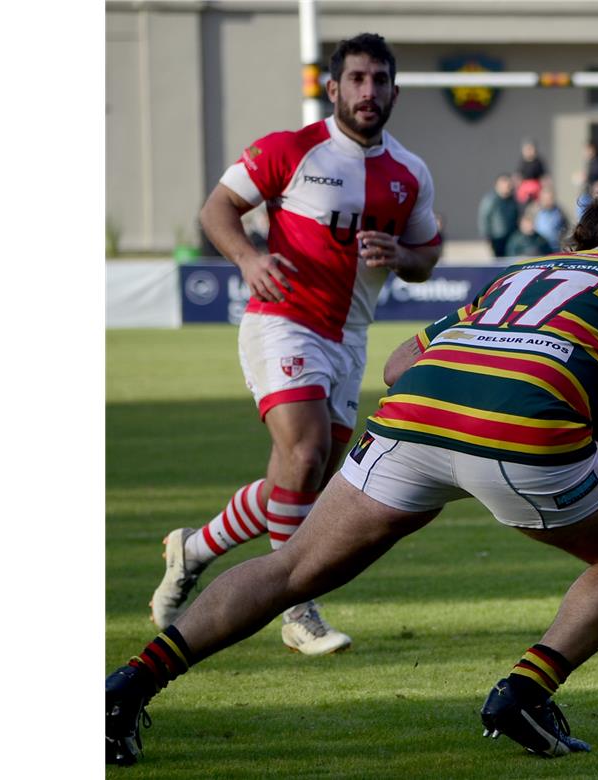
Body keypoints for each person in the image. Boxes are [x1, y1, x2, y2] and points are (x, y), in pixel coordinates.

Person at [106, 186, 598, 767]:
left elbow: (401, 364)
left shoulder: (519, 273)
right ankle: (524, 693)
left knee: (292, 566)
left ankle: (129, 686)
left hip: (415, 415)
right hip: (527, 427)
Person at [147, 33, 441, 657]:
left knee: (302, 481)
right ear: (332, 88)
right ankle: (296, 609)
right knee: (305, 455)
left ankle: (191, 547)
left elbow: (428, 253)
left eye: (379, 80)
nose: (368, 91)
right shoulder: (291, 149)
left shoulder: (410, 172)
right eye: (356, 79)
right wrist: (249, 258)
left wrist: (406, 254)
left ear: (394, 90)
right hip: (282, 320)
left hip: (349, 339)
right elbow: (218, 208)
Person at [478, 174, 520, 257]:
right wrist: (487, 236)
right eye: (505, 185)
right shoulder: (491, 199)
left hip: (511, 236)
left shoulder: (512, 200)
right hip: (497, 237)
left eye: (509, 185)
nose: (507, 187)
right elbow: (484, 218)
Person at [515, 138, 547, 205]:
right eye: (527, 149)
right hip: (524, 191)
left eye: (531, 149)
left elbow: (544, 177)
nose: (529, 151)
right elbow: (518, 176)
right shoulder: (522, 162)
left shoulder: (538, 162)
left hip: (536, 190)